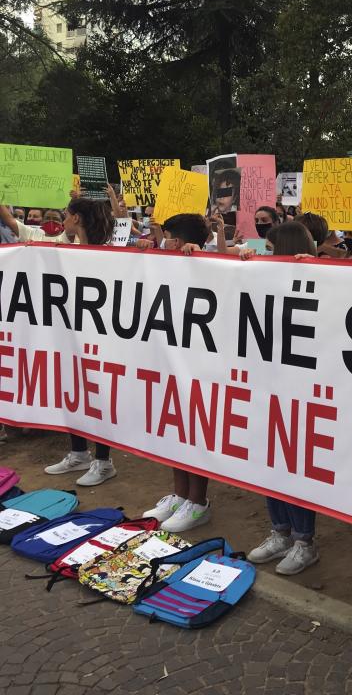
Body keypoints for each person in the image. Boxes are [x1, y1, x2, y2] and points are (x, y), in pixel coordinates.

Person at [1, 199, 120, 486]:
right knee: (73, 392)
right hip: (67, 338)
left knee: (97, 397)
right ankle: (79, 452)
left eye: (66, 215)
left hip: (98, 339)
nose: (63, 219)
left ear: (76, 218)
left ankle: (104, 461)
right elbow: (15, 225)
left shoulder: (110, 254)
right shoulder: (56, 243)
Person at [245, 221, 321, 575]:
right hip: (268, 384)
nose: (265, 254)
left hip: (302, 389)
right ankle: (280, 532)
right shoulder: (266, 277)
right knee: (269, 461)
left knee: (295, 463)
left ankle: (304, 541)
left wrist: (317, 271)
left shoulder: (319, 280)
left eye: (271, 248)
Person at [141, 213, 215, 533]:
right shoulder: (166, 261)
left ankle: (198, 501)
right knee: (173, 430)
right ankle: (180, 494)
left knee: (193, 432)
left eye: (168, 237)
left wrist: (200, 258)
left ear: (183, 241)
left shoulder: (208, 264)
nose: (164, 242)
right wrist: (147, 247)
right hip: (169, 359)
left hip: (198, 365)